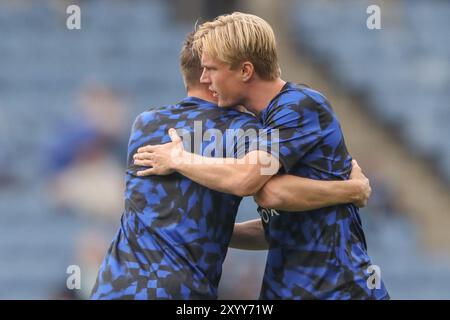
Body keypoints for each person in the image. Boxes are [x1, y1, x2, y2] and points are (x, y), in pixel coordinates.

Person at [91, 32, 370, 300]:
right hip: (182, 291)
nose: (207, 76)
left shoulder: (145, 123)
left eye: (211, 69)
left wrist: (217, 227)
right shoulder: (246, 131)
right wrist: (350, 190)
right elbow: (268, 190)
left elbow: (177, 214)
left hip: (112, 284)